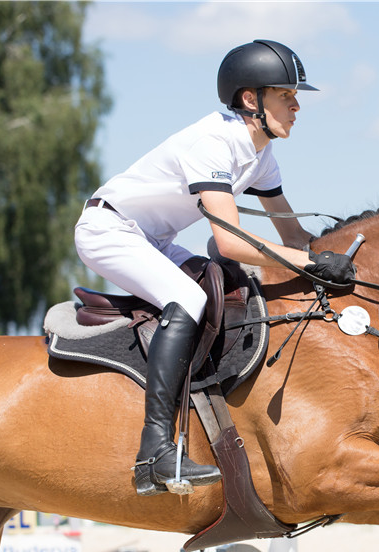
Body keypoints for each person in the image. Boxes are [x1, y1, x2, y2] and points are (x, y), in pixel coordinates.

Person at [75, 40, 356, 497]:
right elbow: (229, 239)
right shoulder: (213, 142)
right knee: (189, 297)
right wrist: (310, 262)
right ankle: (155, 451)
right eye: (287, 95)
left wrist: (339, 264)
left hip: (154, 240)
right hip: (109, 230)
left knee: (227, 285)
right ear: (252, 100)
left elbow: (293, 238)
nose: (297, 105)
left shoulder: (261, 155)